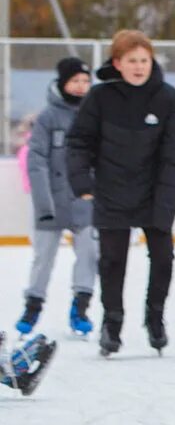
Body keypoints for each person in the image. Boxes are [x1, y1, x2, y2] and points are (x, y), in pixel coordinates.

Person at [67, 30, 175, 357]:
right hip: (112, 192)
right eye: (131, 61)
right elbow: (79, 142)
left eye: (144, 60)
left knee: (163, 258)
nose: (138, 67)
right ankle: (112, 322)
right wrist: (82, 183)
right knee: (112, 261)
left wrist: (166, 200)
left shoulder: (168, 99)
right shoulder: (100, 98)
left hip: (154, 192)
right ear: (117, 63)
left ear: (152, 61)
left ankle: (155, 316)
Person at [15, 58, 99, 339]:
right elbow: (36, 160)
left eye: (85, 81)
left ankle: (81, 307)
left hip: (84, 199)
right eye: (75, 81)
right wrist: (43, 200)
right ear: (63, 83)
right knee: (43, 258)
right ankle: (33, 305)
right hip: (51, 200)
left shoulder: (95, 116)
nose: (81, 87)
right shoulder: (48, 117)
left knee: (88, 253)